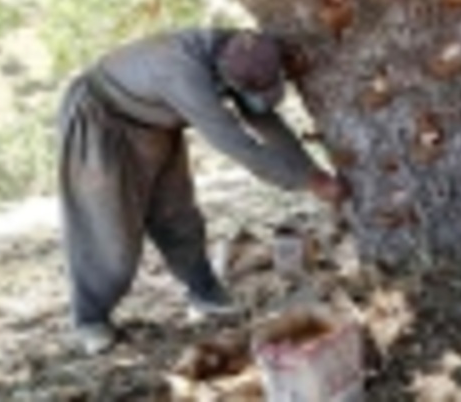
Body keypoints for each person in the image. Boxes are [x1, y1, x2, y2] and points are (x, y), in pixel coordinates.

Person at [57, 28, 346, 354]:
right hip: (102, 122)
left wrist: (312, 172)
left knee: (178, 215)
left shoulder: (242, 50)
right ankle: (90, 318)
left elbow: (265, 121)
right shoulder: (180, 70)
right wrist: (308, 183)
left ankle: (204, 291)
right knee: (109, 230)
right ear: (222, 70)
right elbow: (237, 144)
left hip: (154, 123)